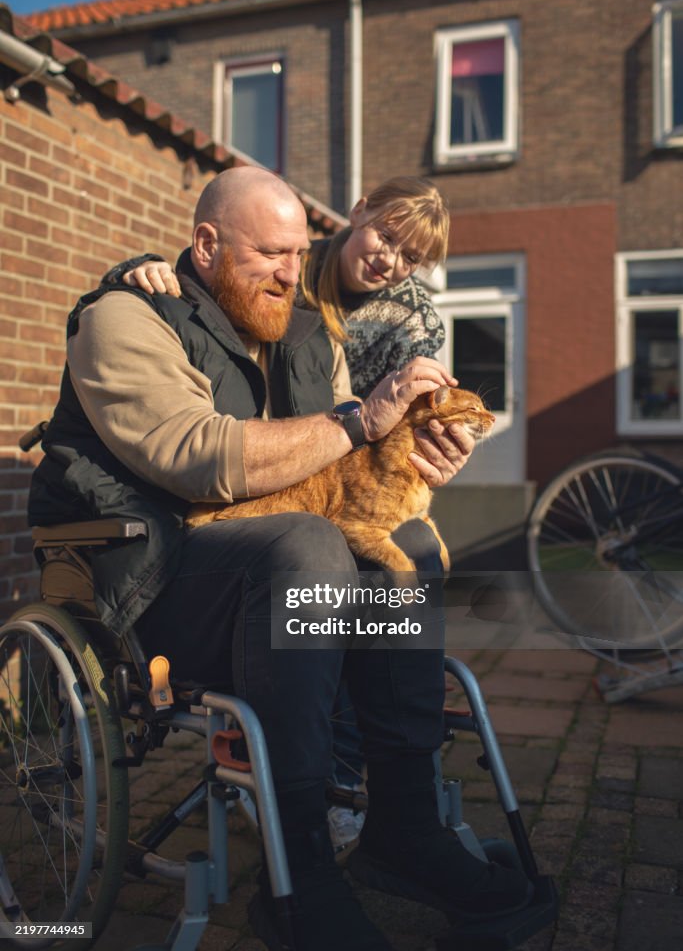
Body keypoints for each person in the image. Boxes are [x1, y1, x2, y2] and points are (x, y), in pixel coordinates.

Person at [29, 167, 531, 951]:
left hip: (287, 584)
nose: (292, 273)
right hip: (150, 579)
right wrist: (363, 417)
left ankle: (403, 829)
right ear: (205, 244)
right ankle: (299, 874)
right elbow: (199, 459)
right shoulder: (125, 320)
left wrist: (416, 449)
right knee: (307, 544)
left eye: (299, 254)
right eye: (269, 253)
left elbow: (341, 467)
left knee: (396, 551)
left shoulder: (309, 335)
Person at [109, 177, 449, 847]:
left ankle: (403, 814)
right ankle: (311, 807)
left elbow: (395, 425)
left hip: (332, 472)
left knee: (407, 553)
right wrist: (132, 271)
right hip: (262, 502)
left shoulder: (410, 322)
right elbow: (203, 439)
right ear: (357, 215)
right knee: (310, 550)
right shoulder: (288, 274)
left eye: (410, 255)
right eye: (384, 235)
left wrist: (430, 440)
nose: (389, 258)